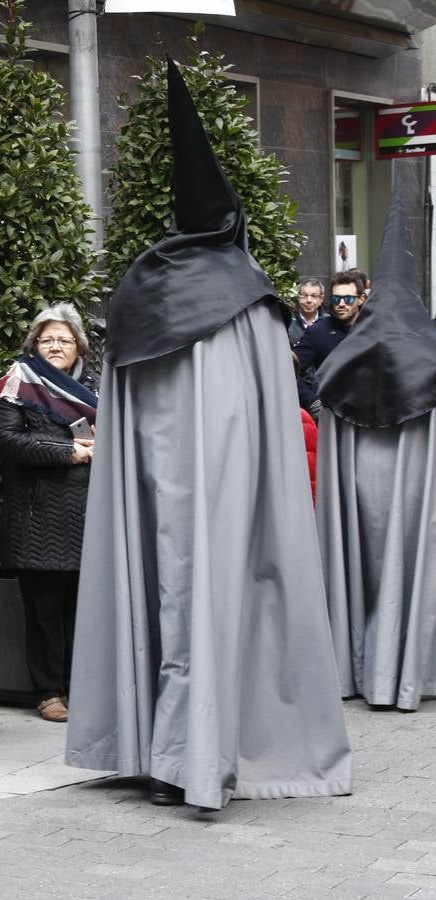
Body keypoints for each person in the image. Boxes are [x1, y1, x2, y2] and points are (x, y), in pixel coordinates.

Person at [64, 60, 351, 811]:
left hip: (153, 488)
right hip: (228, 488)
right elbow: (269, 414)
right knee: (218, 597)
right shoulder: (252, 298)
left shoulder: (138, 290)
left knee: (163, 592)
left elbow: (120, 397)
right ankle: (196, 755)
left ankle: (162, 754)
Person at [314, 198, 436, 711]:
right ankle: (409, 672)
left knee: (359, 565)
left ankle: (359, 668)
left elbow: (324, 401)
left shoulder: (346, 355)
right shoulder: (429, 347)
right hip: (417, 479)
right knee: (415, 562)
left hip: (359, 479)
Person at [0, 303, 98, 724]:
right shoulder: (20, 381)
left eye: (64, 340)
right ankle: (49, 691)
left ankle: (82, 688)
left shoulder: (98, 384)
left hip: (90, 511)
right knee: (45, 610)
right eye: (47, 339)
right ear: (34, 344)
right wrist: (70, 451)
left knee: (84, 609)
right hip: (39, 515)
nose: (55, 346)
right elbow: (5, 440)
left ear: (79, 346)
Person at [296, 270, 368, 416]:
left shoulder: (374, 329)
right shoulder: (318, 332)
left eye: (348, 299)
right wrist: (312, 401)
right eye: (336, 299)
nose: (341, 304)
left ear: (361, 299)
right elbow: (289, 372)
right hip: (332, 414)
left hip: (370, 414)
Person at [287, 276, 327, 346]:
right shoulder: (288, 322)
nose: (309, 300)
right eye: (304, 295)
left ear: (321, 299)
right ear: (298, 297)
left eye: (314, 296)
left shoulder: (329, 321)